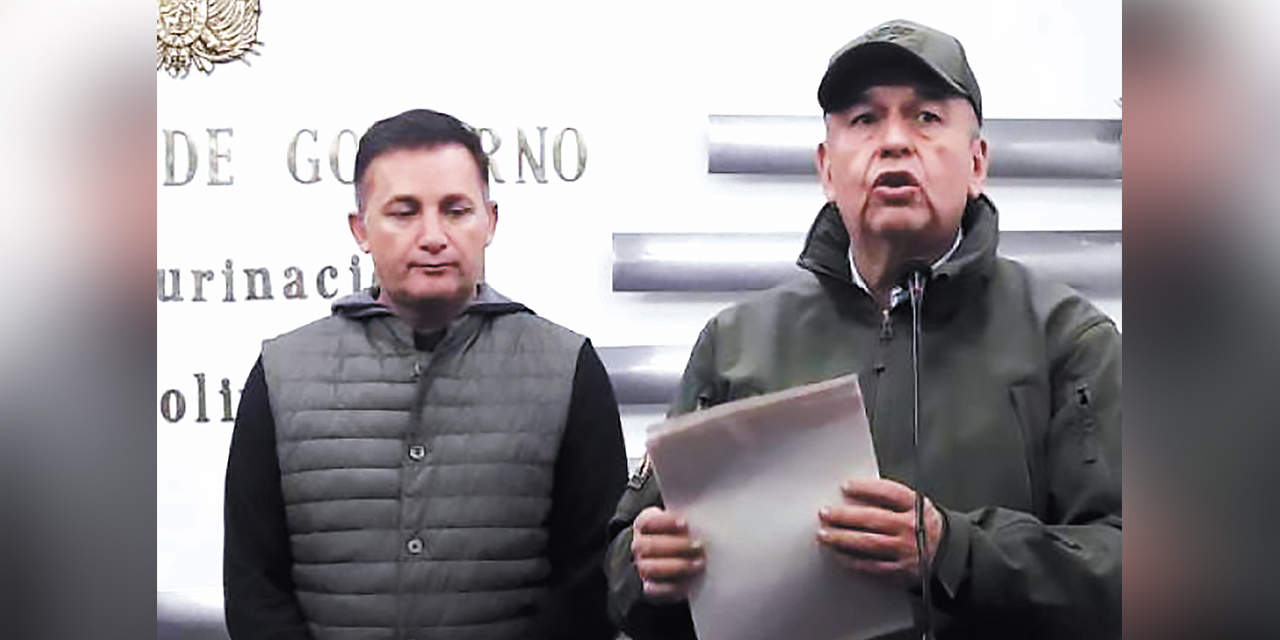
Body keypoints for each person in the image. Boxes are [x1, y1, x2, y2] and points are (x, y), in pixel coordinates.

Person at [605, 19, 1121, 640]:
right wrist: (646, 574)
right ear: (826, 168)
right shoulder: (737, 343)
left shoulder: (1066, 338)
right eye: (864, 120)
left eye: (926, 117)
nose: (895, 142)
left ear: (977, 161)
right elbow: (622, 579)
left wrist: (955, 552)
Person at [223, 108, 627, 640]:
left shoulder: (568, 368)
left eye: (456, 210)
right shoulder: (280, 375)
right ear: (360, 229)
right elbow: (254, 586)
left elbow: (591, 575)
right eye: (404, 212)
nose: (433, 236)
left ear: (492, 221)